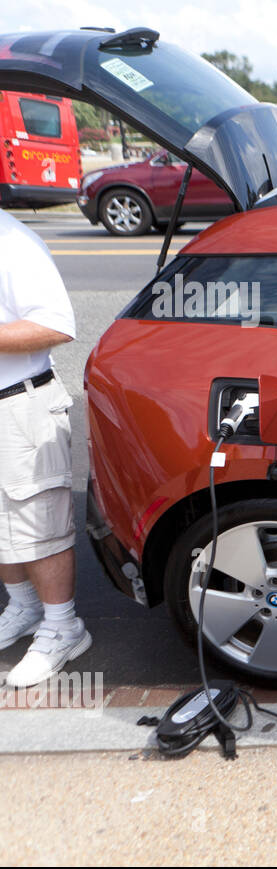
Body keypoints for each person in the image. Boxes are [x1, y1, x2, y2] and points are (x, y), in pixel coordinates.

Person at [0, 208, 89, 688]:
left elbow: (56, 324)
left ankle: (63, 626)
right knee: (2, 523)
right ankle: (25, 607)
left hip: (19, 406)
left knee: (37, 521)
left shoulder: (11, 240)